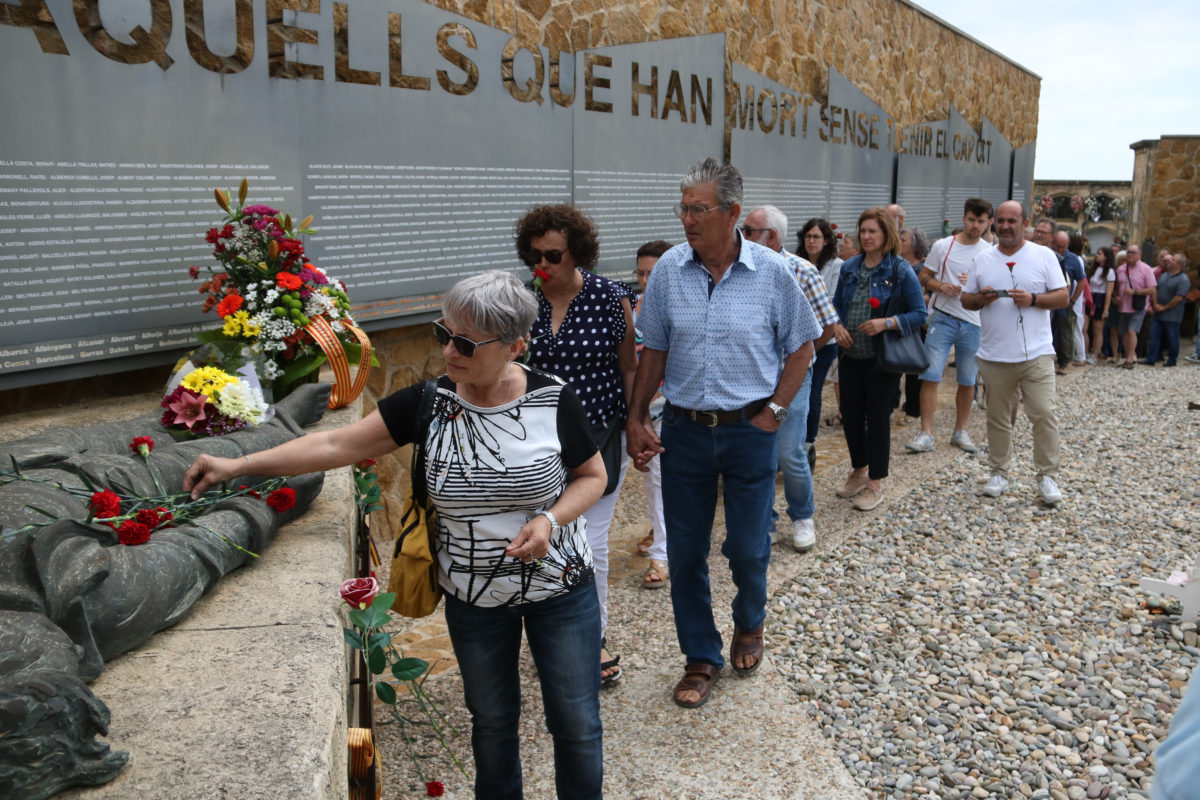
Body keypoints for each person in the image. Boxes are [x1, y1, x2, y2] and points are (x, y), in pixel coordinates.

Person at [183, 271, 608, 800]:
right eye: (442, 333)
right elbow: (335, 446)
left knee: (576, 723)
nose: (449, 351)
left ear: (515, 346)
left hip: (560, 589)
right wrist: (236, 464)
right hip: (474, 598)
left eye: (466, 342)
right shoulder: (428, 404)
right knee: (493, 724)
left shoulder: (553, 399)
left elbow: (593, 477)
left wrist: (550, 519)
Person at [626, 157, 818, 709]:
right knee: (684, 552)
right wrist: (638, 417)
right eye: (683, 208)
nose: (687, 218)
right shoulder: (667, 270)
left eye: (698, 209)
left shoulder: (773, 273)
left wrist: (776, 412)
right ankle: (701, 656)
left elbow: (802, 348)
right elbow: (654, 347)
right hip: (683, 432)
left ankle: (750, 621)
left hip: (748, 432)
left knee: (746, 547)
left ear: (732, 212)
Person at [514, 203, 637, 686]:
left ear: (578, 253)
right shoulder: (524, 302)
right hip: (538, 443)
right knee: (547, 535)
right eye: (534, 255)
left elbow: (628, 365)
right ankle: (553, 630)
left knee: (592, 540)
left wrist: (635, 423)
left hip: (599, 435)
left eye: (552, 256)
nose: (541, 265)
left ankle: (593, 635)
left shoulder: (610, 297)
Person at [742, 205, 840, 552]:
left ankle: (802, 515)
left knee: (787, 451)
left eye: (748, 230)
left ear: (771, 236)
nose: (742, 235)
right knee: (757, 452)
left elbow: (828, 324)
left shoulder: (801, 270)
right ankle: (764, 521)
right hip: (752, 380)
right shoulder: (742, 269)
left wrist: (800, 355)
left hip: (790, 383)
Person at [961, 200, 1069, 505]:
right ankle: (999, 472)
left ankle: (1047, 476)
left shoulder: (1043, 256)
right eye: (1001, 221)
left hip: (1036, 353)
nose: (1006, 226)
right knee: (997, 417)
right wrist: (981, 299)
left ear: (1025, 223)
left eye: (1012, 221)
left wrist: (1033, 299)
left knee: (1044, 413)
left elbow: (1062, 297)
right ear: (995, 222)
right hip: (994, 354)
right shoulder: (983, 259)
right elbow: (967, 301)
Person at [829, 207, 926, 512]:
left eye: (873, 231)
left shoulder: (898, 269)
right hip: (850, 354)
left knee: (877, 419)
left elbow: (919, 313)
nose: (866, 236)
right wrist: (838, 327)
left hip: (882, 358)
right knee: (851, 416)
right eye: (863, 231)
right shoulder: (850, 268)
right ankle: (858, 469)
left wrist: (887, 323)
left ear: (887, 234)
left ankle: (875, 483)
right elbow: (835, 308)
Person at [906, 197, 993, 455]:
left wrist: (976, 287)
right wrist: (942, 286)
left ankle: (960, 430)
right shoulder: (944, 245)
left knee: (967, 380)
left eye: (980, 221)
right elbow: (924, 276)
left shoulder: (989, 252)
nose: (975, 225)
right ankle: (926, 432)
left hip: (973, 320)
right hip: (943, 316)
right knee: (930, 375)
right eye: (971, 219)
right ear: (964, 218)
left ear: (989, 222)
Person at [631, 239, 673, 589]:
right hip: (631, 407)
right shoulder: (629, 306)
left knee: (659, 481)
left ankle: (662, 553)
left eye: (652, 272)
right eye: (640, 273)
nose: (645, 280)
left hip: (663, 408)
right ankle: (659, 532)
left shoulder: (677, 306)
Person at [798, 217, 844, 467]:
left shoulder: (836, 266)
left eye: (816, 237)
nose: (811, 241)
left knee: (813, 390)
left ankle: (808, 440)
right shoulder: (794, 262)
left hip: (822, 340)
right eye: (808, 237)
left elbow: (831, 303)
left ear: (826, 240)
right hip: (798, 339)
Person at [895, 226, 931, 424]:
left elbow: (927, 297)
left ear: (915, 244)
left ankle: (914, 409)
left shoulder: (923, 269)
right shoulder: (896, 264)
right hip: (898, 320)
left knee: (913, 368)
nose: (900, 242)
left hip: (916, 324)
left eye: (904, 240)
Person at [1143, 251, 1191, 367]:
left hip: (1172, 315)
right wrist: (1155, 304)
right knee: (1154, 336)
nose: (1169, 261)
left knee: (1172, 337)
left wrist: (1164, 307)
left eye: (1173, 260)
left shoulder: (1183, 279)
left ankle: (1172, 359)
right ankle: (1151, 358)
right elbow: (1155, 290)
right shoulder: (1164, 276)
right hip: (1158, 312)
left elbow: (1179, 298)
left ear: (1179, 264)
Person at [1114, 245, 1157, 369]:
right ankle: (1130, 356)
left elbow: (1152, 289)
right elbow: (1116, 287)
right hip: (1123, 307)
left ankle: (1129, 359)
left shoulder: (1146, 269)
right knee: (1125, 333)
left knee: (1132, 331)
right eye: (1128, 252)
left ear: (1139, 255)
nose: (1130, 255)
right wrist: (1116, 297)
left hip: (1138, 307)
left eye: (1133, 252)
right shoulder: (1121, 269)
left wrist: (1136, 292)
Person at [1086, 246, 1116, 363]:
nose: (1097, 255)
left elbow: (1109, 292)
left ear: (1106, 257)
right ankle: (1087, 351)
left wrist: (1106, 309)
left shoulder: (1110, 271)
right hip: (1092, 297)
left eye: (1100, 254)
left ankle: (1095, 354)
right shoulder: (1094, 269)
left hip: (1101, 298)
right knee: (1087, 327)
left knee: (1098, 329)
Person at [1067, 233, 1089, 365]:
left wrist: (1073, 299)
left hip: (1075, 299)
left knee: (1076, 328)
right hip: (1074, 298)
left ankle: (1081, 356)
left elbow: (1082, 281)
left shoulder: (1077, 260)